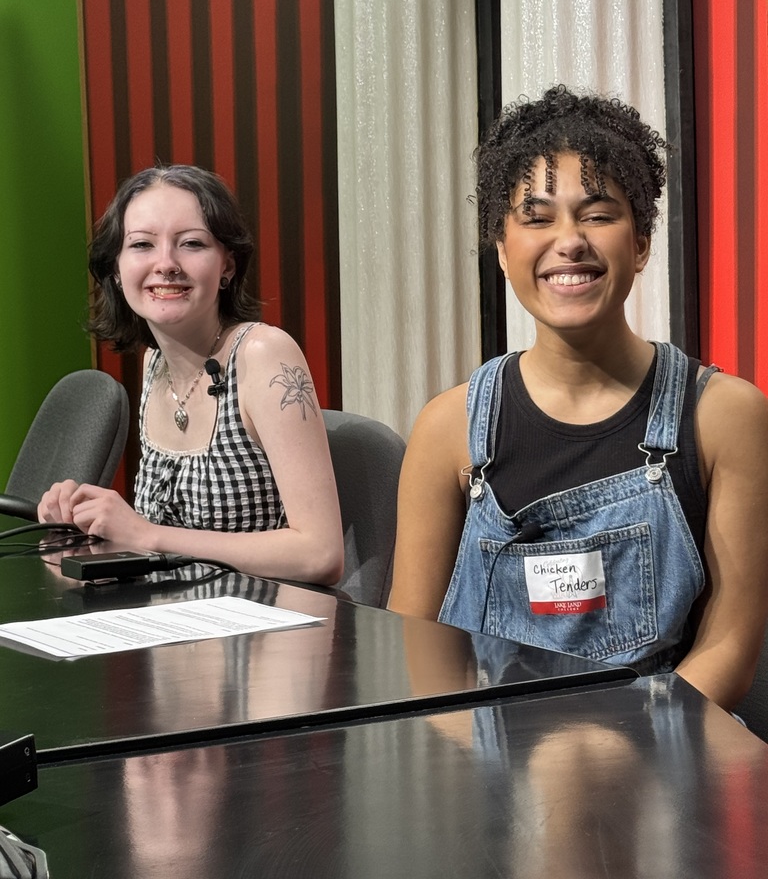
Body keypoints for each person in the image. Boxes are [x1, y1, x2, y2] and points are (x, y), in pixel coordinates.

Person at [389, 84, 768, 711]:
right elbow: (416, 645)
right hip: (487, 765)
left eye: (598, 214)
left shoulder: (724, 416)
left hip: (664, 763)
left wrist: (636, 757)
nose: (569, 240)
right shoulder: (448, 426)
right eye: (536, 218)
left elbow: (732, 642)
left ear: (641, 243)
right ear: (503, 250)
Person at [38, 165, 344, 585]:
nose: (166, 264)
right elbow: (162, 550)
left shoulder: (263, 354)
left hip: (260, 633)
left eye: (192, 244)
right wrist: (85, 527)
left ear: (227, 267)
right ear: (116, 268)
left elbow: (320, 554)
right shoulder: (154, 364)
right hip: (171, 626)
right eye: (142, 244)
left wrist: (148, 535)